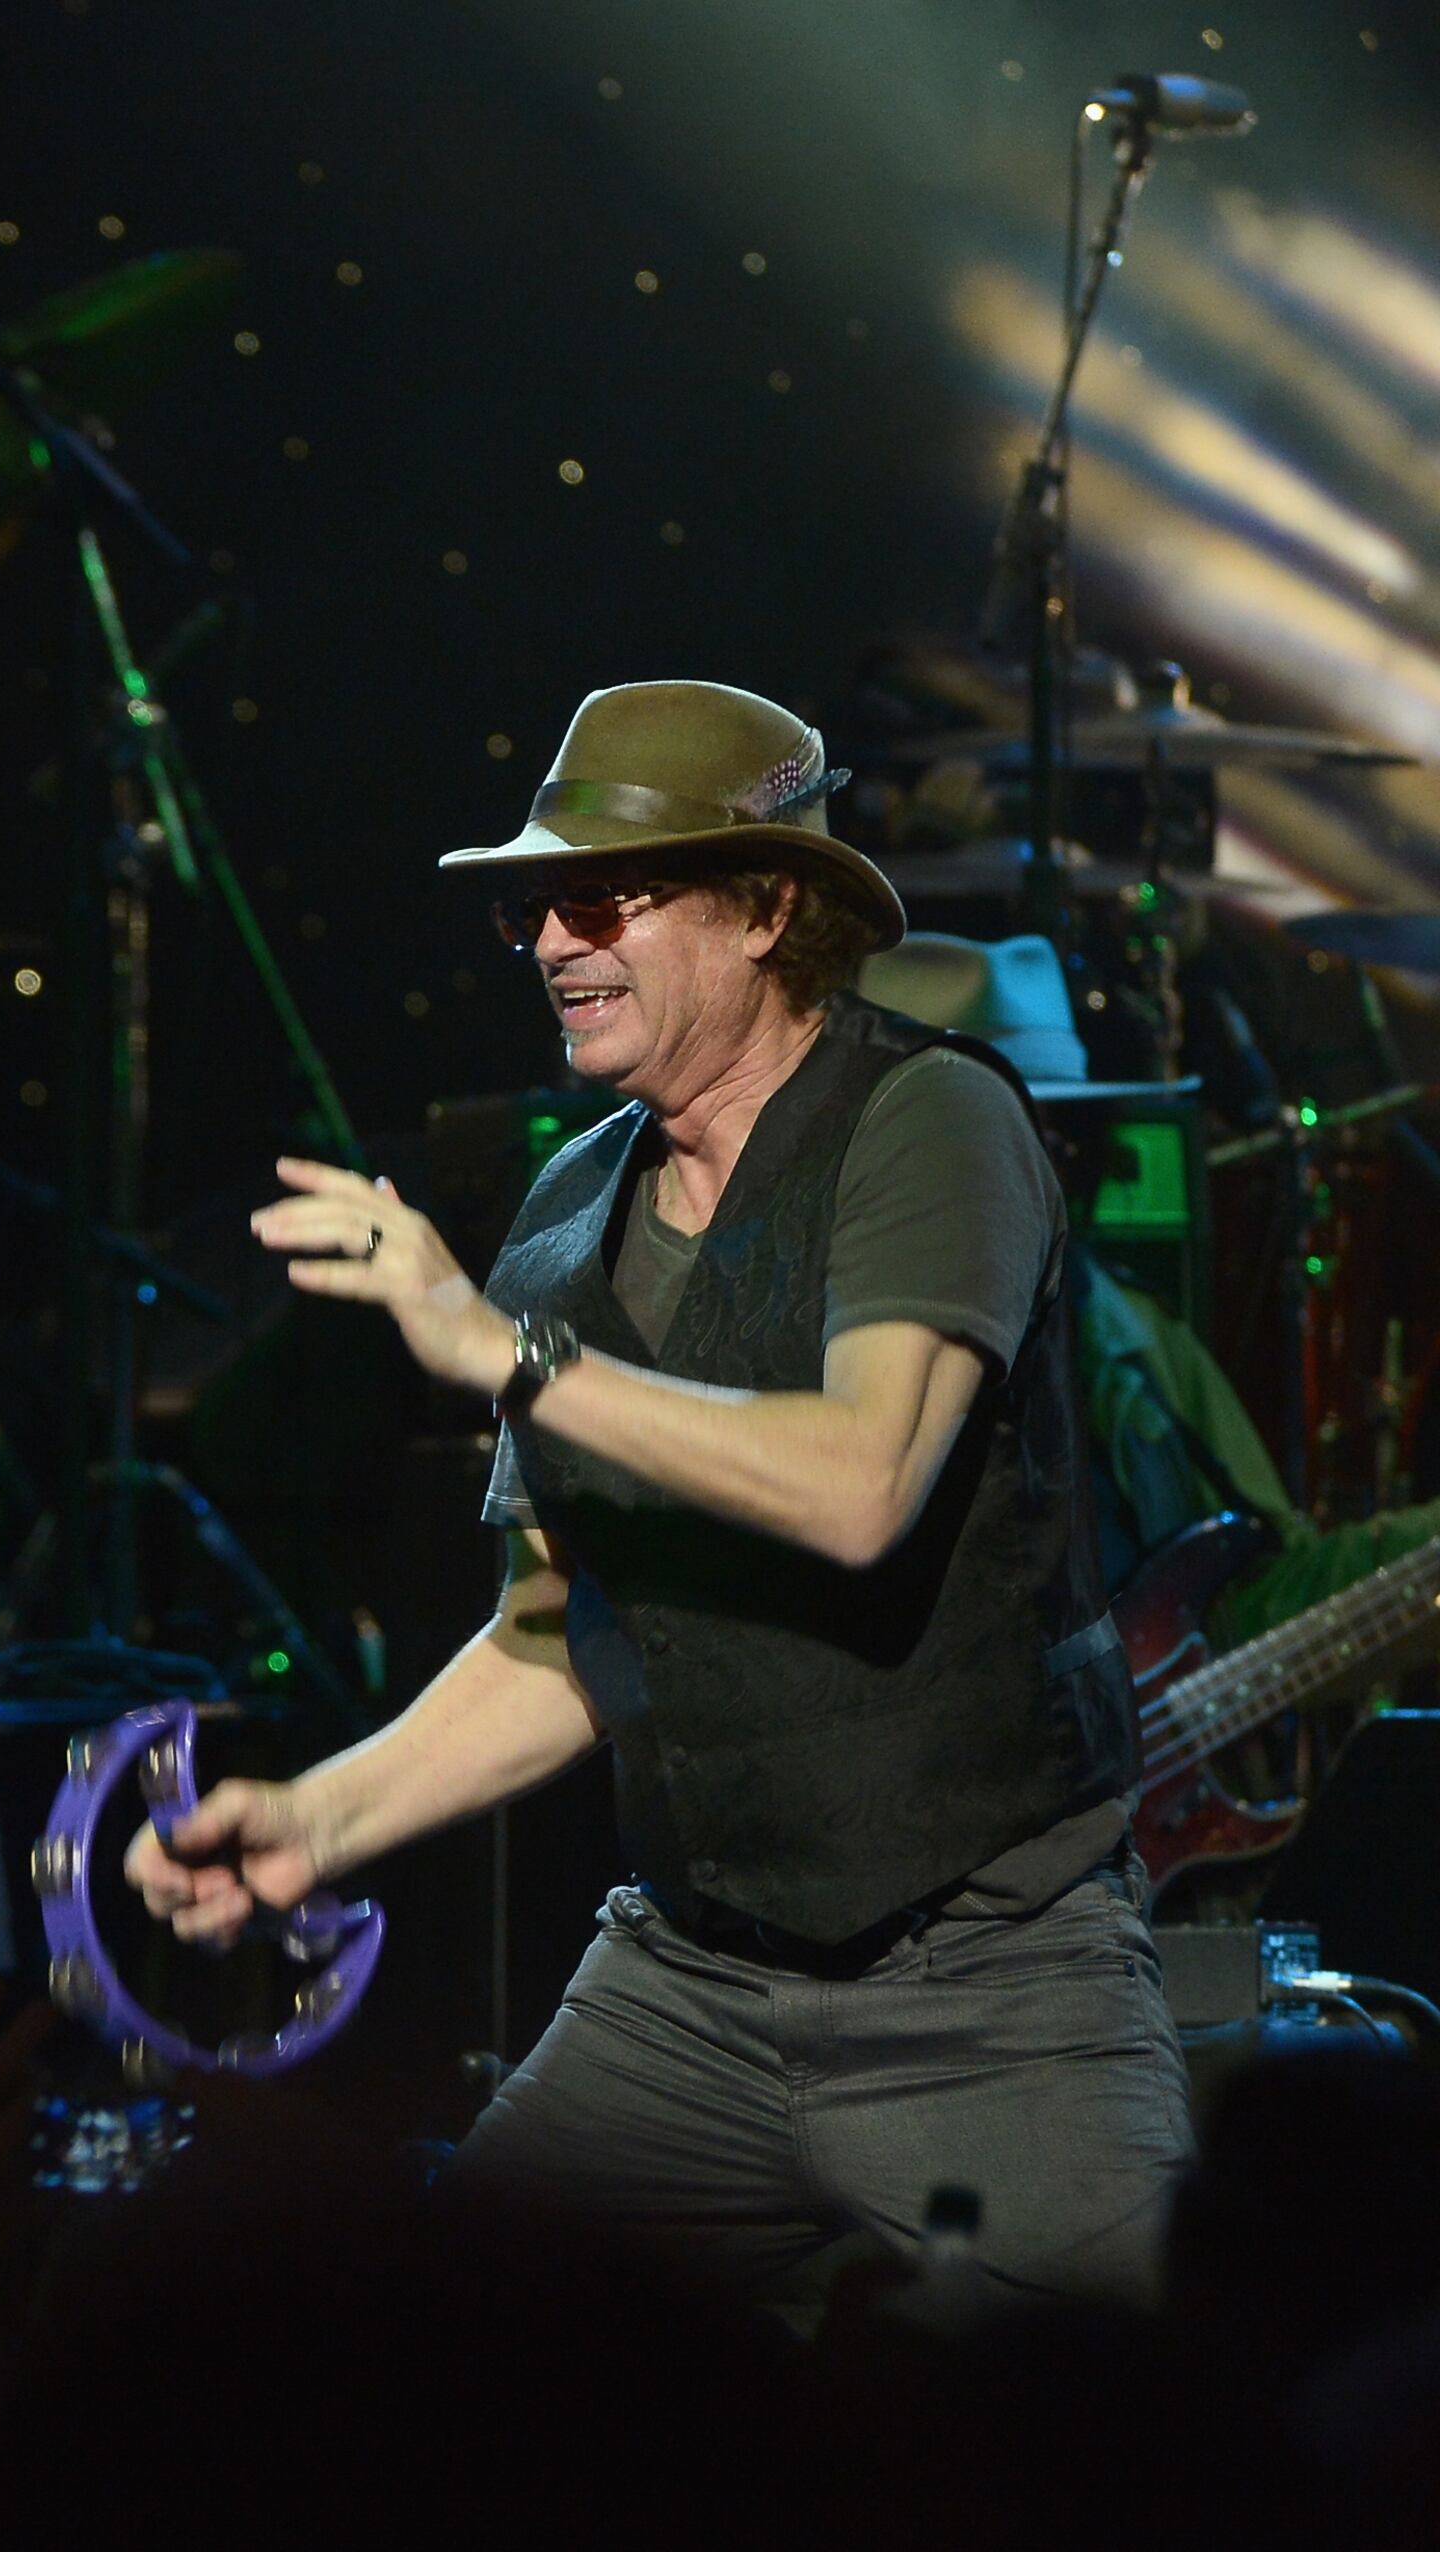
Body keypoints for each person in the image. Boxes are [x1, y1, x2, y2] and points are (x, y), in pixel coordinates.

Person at [132, 679, 1187, 2315]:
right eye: (531, 907)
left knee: (1126, 2456)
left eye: (601, 896)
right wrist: (315, 1820)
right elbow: (566, 1638)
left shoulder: (935, 1122)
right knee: (430, 2368)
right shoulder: (566, 1221)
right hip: (687, 1993)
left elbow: (858, 1483)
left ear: (767, 906)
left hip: (991, 1989)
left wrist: (505, 1350)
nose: (554, 941)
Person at [861, 929, 1440, 1912]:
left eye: (1058, 1140)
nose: (1039, 1169)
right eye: (999, 1136)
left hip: (1106, 1914)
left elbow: (1253, 1600)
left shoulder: (1130, 1335)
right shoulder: (817, 1342)